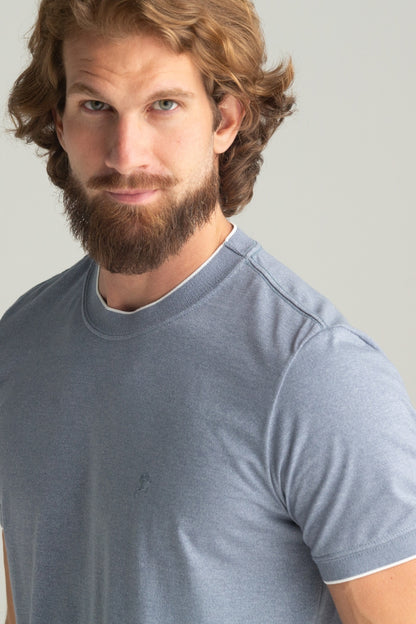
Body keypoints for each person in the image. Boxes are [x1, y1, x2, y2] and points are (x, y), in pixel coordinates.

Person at [1, 0, 416, 622]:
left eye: (164, 105)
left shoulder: (316, 374)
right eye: (96, 106)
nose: (125, 154)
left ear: (225, 120)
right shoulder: (19, 347)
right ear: (59, 122)